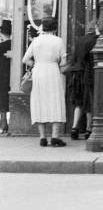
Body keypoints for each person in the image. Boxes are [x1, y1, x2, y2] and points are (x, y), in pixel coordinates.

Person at [22, 17, 69, 147]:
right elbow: (64, 62)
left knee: (39, 101)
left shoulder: (36, 41)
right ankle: (55, 137)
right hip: (53, 71)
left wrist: (36, 63)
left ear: (43, 27)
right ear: (55, 28)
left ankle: (43, 137)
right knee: (55, 101)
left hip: (38, 71)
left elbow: (25, 59)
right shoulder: (58, 41)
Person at [68, 21, 98, 140]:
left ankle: (74, 128)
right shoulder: (97, 40)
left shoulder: (80, 40)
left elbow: (75, 58)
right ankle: (88, 129)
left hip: (77, 74)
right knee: (89, 102)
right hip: (88, 74)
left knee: (79, 103)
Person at [0, 20, 11, 134]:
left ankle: (3, 123)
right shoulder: (15, 45)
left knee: (2, 97)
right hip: (11, 74)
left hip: (2, 74)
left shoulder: (1, 46)